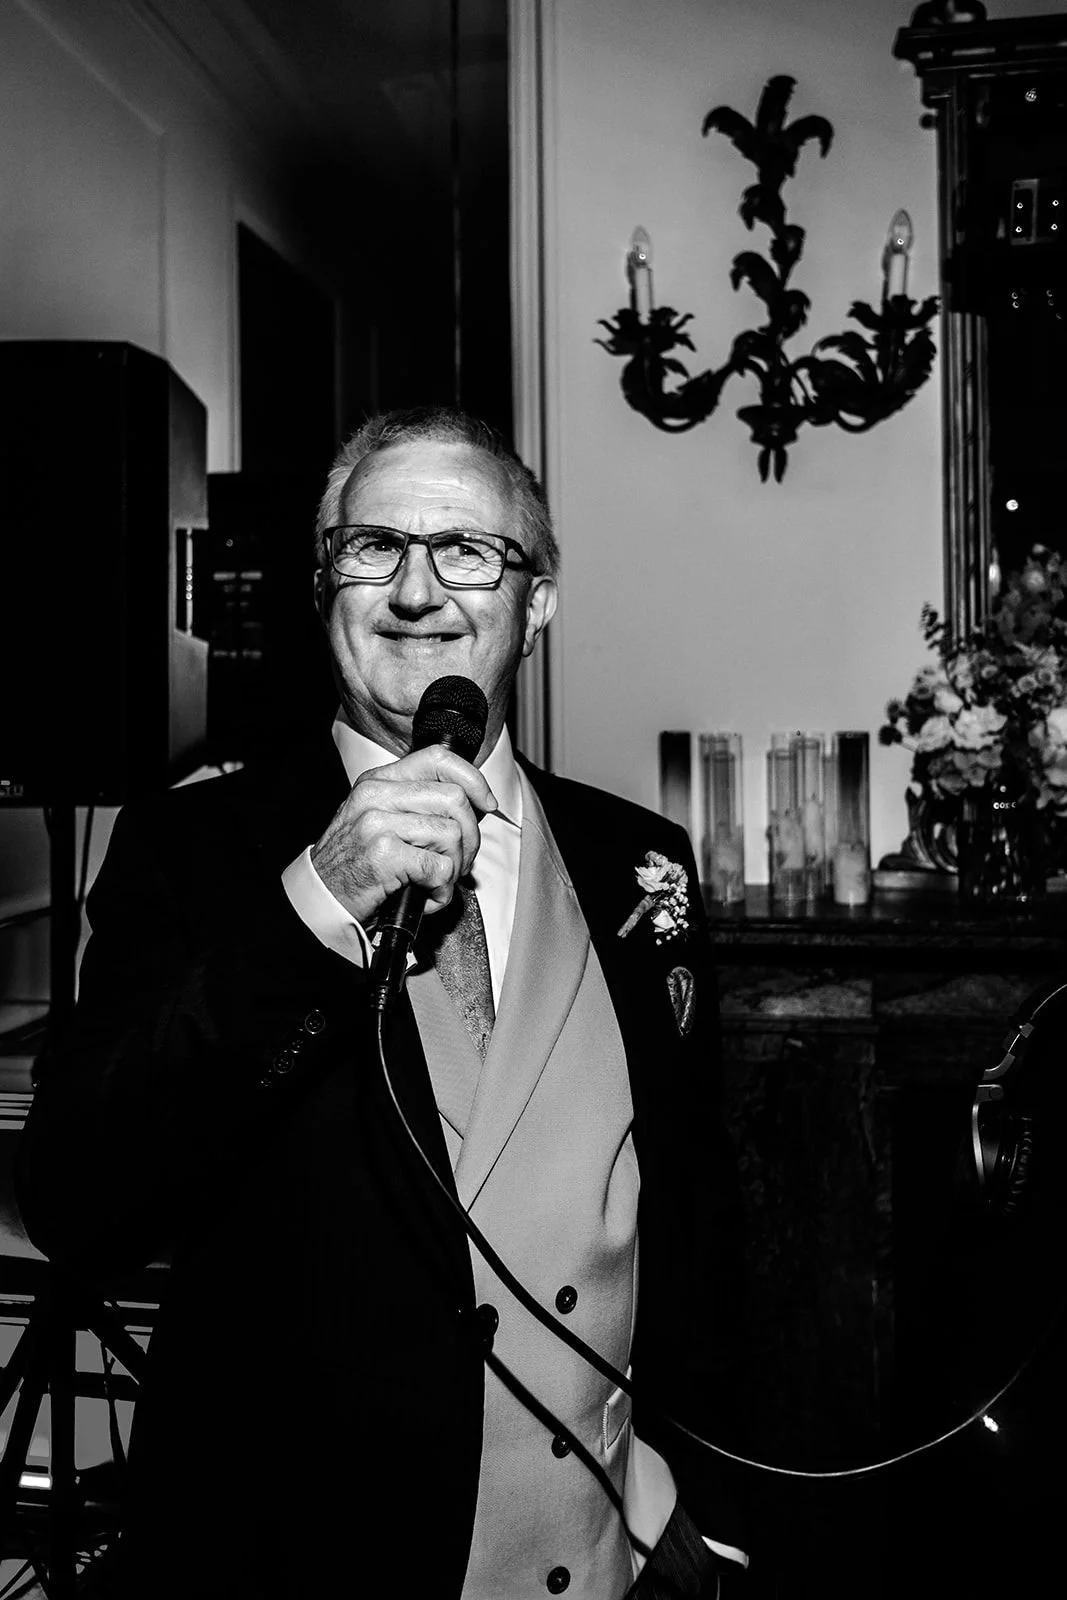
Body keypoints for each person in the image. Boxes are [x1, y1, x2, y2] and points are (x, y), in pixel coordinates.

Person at [16, 408, 748, 1598]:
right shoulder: (191, 848)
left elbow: (692, 1199)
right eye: (373, 549)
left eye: (467, 549)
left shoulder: (637, 858)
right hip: (300, 1556)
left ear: (538, 598)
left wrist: (702, 1503)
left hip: (601, 1549)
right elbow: (75, 1195)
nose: (417, 590)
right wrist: (317, 905)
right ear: (324, 589)